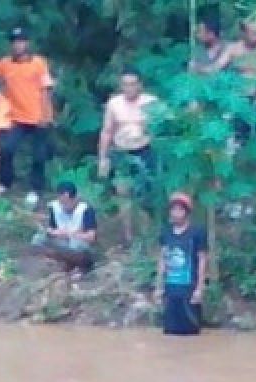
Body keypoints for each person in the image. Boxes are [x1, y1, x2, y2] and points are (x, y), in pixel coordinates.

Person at [0, 28, 55, 206]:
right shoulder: (5, 64)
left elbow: (46, 89)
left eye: (21, 41)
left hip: (38, 117)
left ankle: (36, 189)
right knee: (7, 149)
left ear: (26, 43)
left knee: (39, 155)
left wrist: (45, 114)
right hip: (17, 117)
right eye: (14, 41)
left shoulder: (38, 63)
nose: (18, 45)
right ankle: (5, 182)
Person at [98, 68, 160, 244]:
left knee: (146, 194)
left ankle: (147, 236)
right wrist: (103, 158)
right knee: (123, 192)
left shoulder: (151, 102)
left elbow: (160, 128)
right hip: (121, 151)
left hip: (144, 150)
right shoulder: (114, 104)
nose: (129, 88)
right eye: (125, 84)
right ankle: (128, 237)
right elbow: (107, 131)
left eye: (133, 84)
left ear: (140, 85)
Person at [156, 192, 209, 336]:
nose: (175, 213)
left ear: (187, 212)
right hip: (171, 289)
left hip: (189, 291)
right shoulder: (166, 233)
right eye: (173, 209)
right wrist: (159, 286)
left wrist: (199, 288)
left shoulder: (197, 233)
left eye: (179, 210)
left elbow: (202, 260)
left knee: (191, 333)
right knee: (170, 333)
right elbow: (162, 259)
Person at [31, 182, 97, 274]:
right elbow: (50, 228)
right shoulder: (54, 207)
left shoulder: (86, 210)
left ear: (75, 198)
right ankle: (61, 263)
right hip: (61, 243)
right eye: (62, 202)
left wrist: (69, 233)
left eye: (68, 202)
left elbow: (91, 237)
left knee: (76, 245)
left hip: (78, 246)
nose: (65, 206)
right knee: (38, 239)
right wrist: (51, 231)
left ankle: (81, 266)